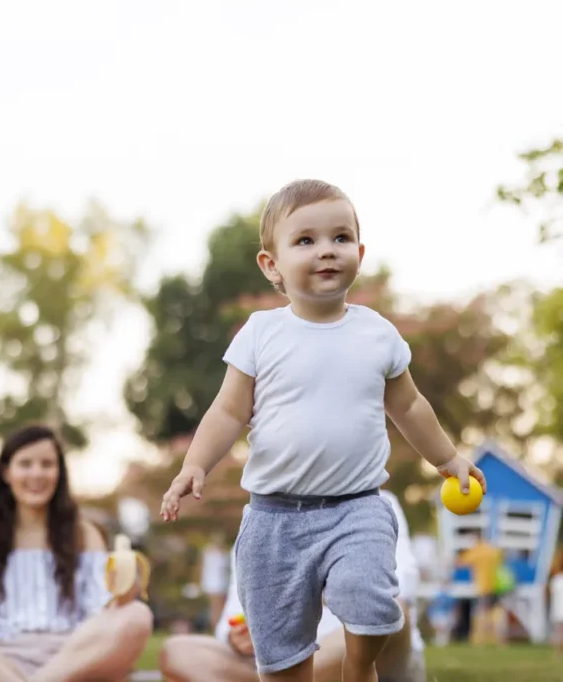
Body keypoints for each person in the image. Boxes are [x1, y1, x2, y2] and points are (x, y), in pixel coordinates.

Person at [159, 178, 486, 682]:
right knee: (282, 658)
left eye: (339, 237)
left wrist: (447, 459)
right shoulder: (260, 334)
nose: (326, 251)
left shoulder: (377, 333)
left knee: (371, 599)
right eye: (305, 241)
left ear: (359, 250)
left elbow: (410, 406)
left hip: (356, 507)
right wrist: (194, 465)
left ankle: (358, 669)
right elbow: (227, 412)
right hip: (274, 520)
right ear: (272, 265)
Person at [0, 424, 153, 682]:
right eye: (25, 464)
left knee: (137, 615)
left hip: (73, 657)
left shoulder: (83, 532)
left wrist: (121, 596)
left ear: (59, 472)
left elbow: (98, 606)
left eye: (47, 464)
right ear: (6, 472)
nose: (37, 474)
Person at [159, 490, 426, 682]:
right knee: (179, 651)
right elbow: (231, 617)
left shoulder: (376, 504)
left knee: (390, 613)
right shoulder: (257, 522)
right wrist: (237, 636)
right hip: (274, 664)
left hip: (363, 658)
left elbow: (400, 588)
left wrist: (308, 588)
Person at [200, 532, 229, 628]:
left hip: (219, 583)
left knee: (218, 607)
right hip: (213, 583)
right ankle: (216, 627)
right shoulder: (208, 551)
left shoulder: (222, 551)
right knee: (215, 607)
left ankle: (217, 627)